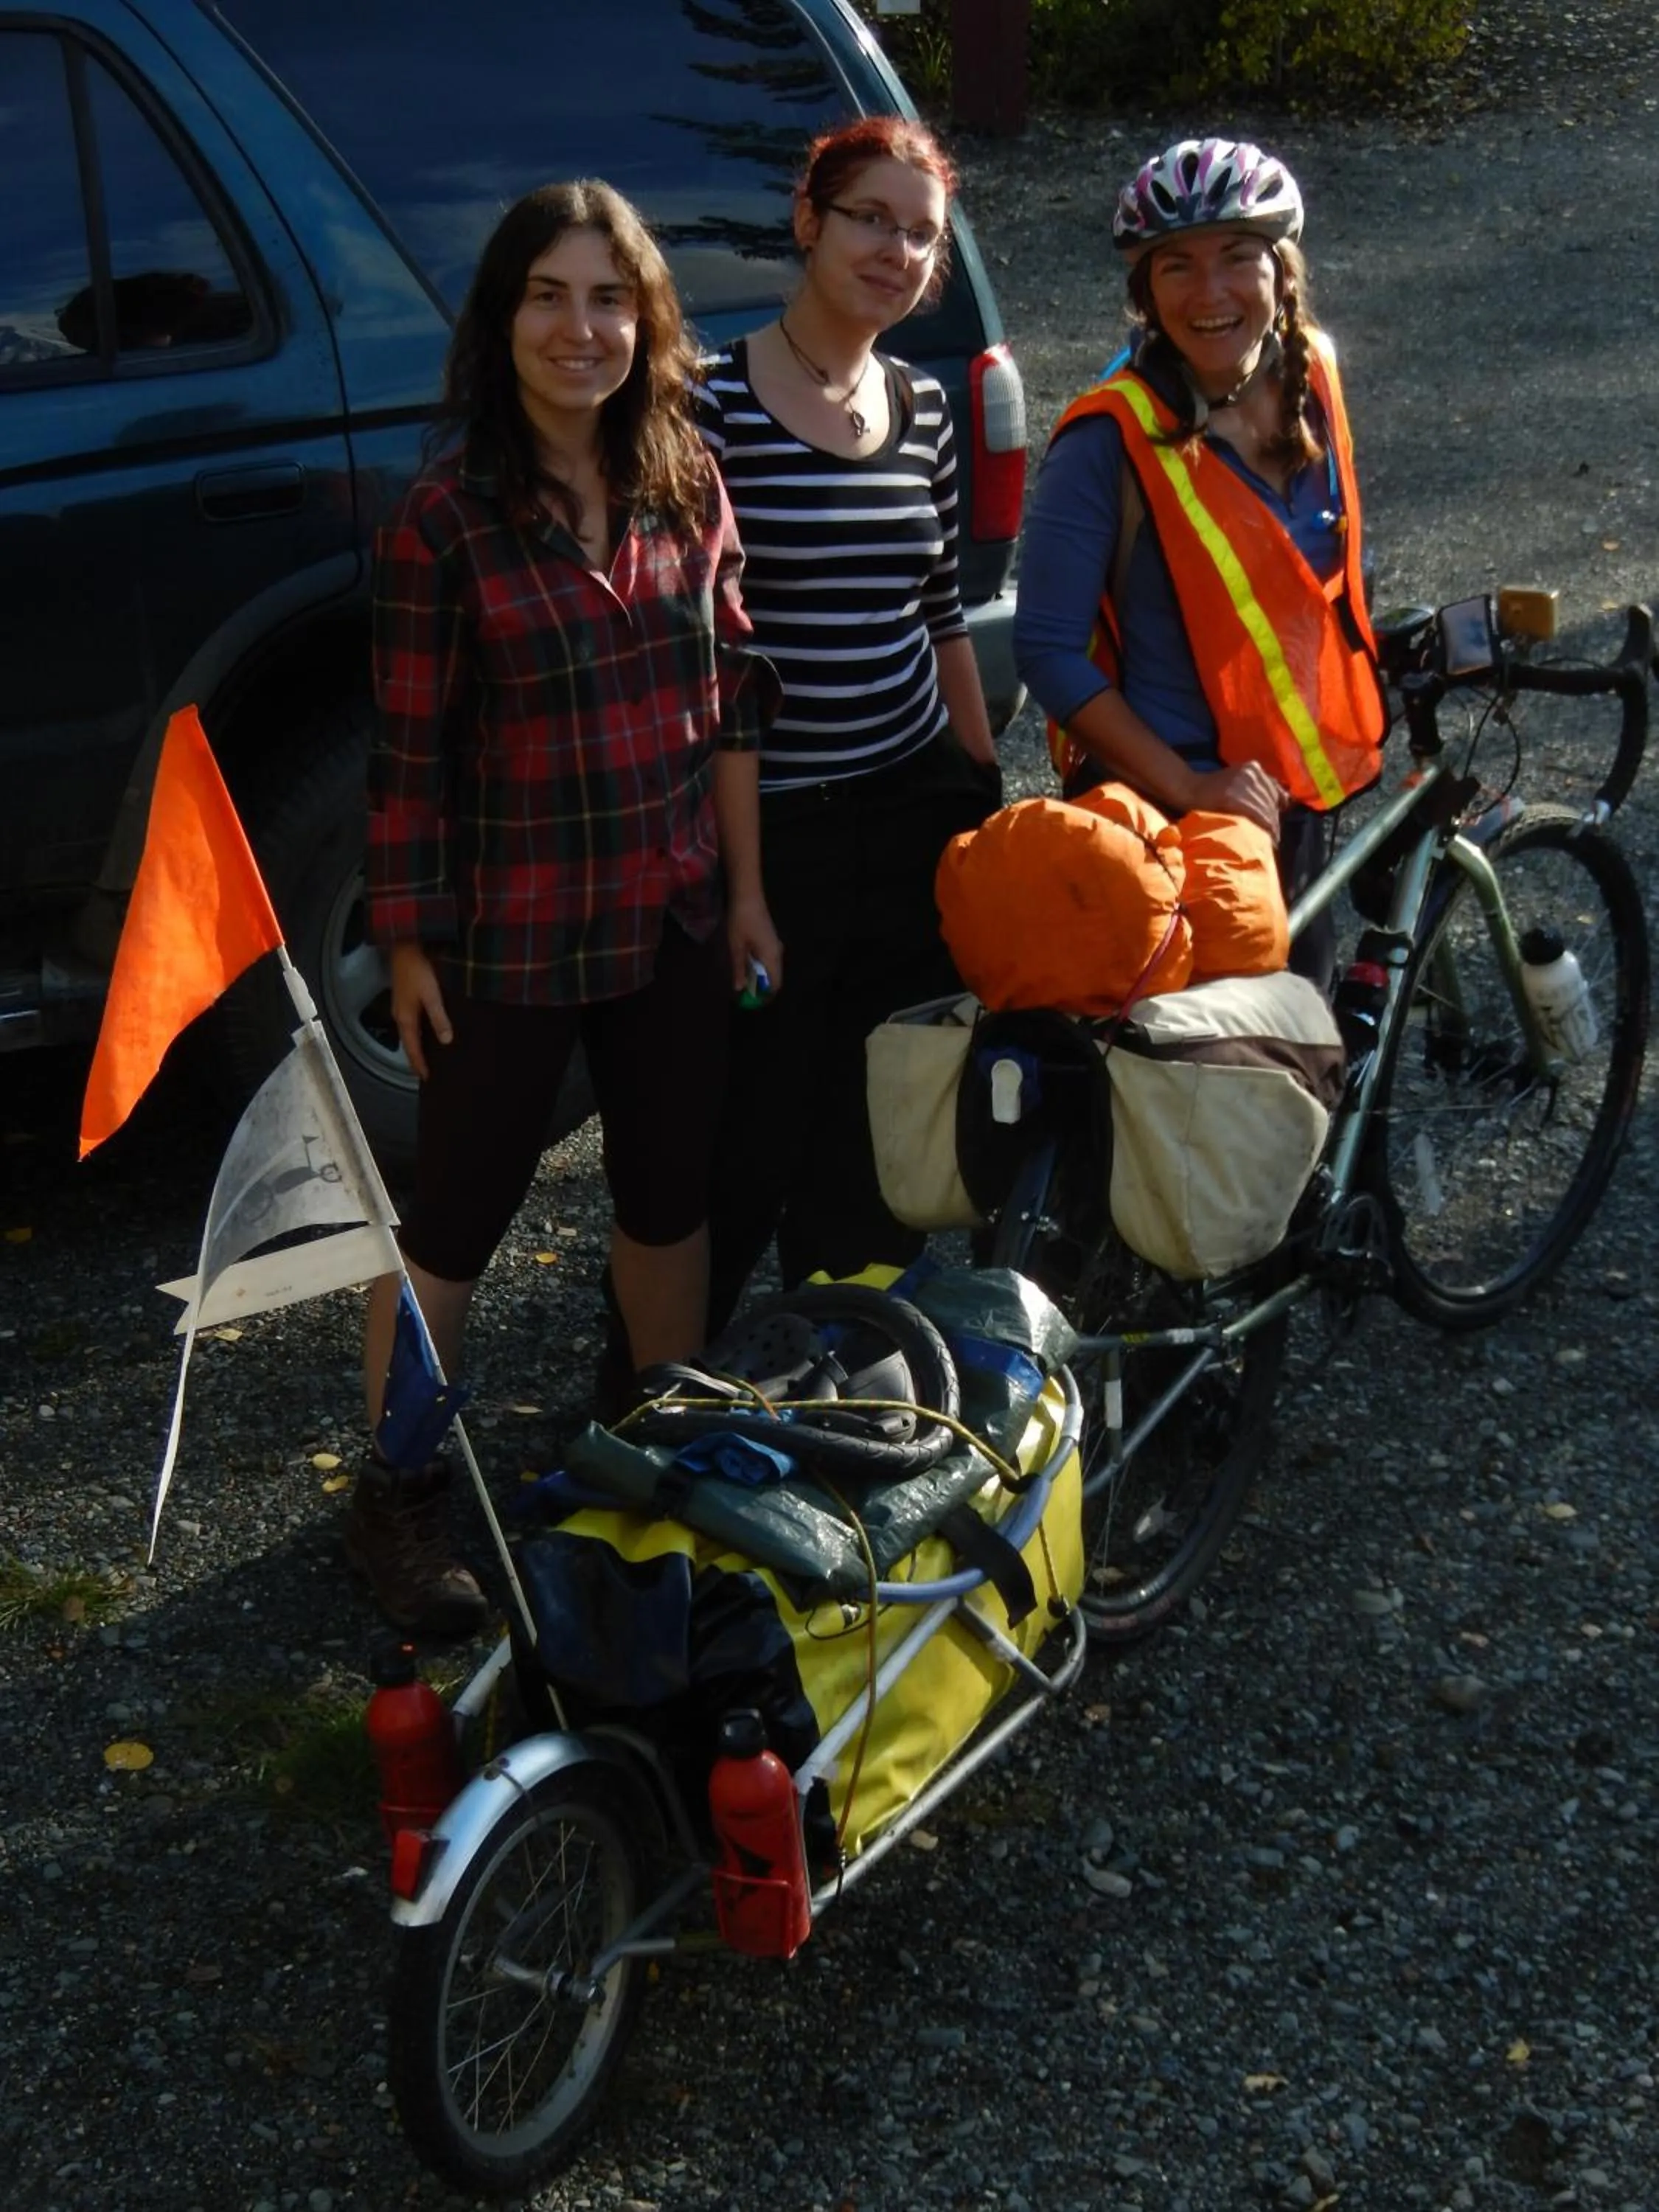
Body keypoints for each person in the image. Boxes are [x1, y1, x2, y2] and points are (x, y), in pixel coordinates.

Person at [349, 180, 780, 1634]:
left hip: (667, 916)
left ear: (646, 320)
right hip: (510, 939)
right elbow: (406, 753)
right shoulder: (445, 520)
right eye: (550, 295)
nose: (580, 328)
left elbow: (730, 702)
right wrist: (407, 938)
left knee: (670, 1198)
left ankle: (663, 1449)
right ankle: (401, 1493)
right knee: (455, 1220)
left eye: (610, 298)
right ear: (503, 317)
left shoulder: (686, 481)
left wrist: (748, 897)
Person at [694, 116, 1002, 1333]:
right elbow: (715, 666)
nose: (895, 250)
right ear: (808, 220)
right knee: (747, 1135)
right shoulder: (711, 406)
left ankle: (843, 1379)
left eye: (920, 234)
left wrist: (985, 803)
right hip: (775, 835)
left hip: (909, 811)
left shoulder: (923, 409)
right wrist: (744, 889)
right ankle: (664, 1392)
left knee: (880, 1127)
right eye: (870, 217)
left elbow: (943, 619)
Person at [1013, 136, 1386, 980]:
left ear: (1282, 272)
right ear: (1144, 292)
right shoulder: (1107, 439)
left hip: (1287, 801)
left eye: (1238, 258)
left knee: (1303, 1070)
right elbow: (1046, 650)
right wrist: (1187, 785)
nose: (1210, 292)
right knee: (1216, 1091)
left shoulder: (1314, 376)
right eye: (1175, 266)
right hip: (1172, 826)